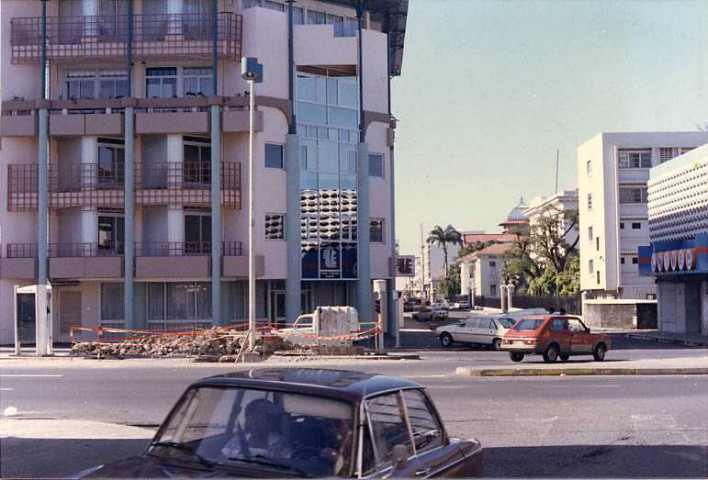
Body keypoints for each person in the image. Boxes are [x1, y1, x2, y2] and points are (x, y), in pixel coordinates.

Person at [221, 399, 292, 460]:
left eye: (260, 417)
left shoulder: (279, 444)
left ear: (270, 422)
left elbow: (283, 466)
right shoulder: (238, 440)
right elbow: (223, 459)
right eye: (249, 417)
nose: (252, 422)